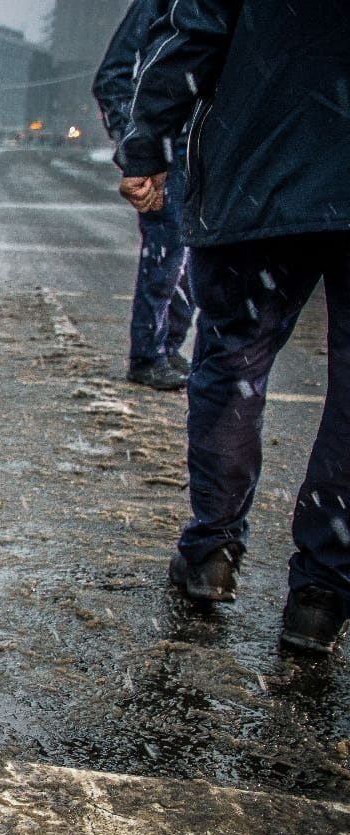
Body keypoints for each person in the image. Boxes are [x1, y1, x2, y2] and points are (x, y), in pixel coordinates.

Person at [115, 0, 350, 654]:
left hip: (262, 165)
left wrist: (146, 145)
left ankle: (211, 550)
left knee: (232, 365)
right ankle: (320, 594)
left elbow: (193, 30)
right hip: (275, 160)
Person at [92, 0, 193, 392]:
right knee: (167, 259)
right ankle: (150, 354)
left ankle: (165, 348)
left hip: (202, 153)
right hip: (170, 154)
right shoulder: (161, 6)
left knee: (191, 264)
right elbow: (112, 78)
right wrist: (139, 145)